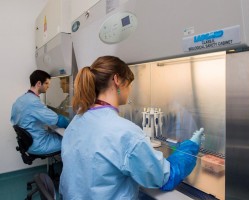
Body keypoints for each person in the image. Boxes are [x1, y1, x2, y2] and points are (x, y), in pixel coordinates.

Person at [59, 56, 204, 199]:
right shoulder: (125, 132)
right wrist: (190, 147)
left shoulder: (77, 121)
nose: (130, 90)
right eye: (129, 83)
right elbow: (165, 177)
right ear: (116, 80)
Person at [11, 70, 69, 155]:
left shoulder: (21, 99)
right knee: (70, 140)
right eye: (46, 83)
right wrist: (70, 124)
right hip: (38, 144)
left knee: (56, 134)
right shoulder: (33, 102)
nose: (48, 86)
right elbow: (58, 120)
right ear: (39, 83)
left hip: (29, 142)